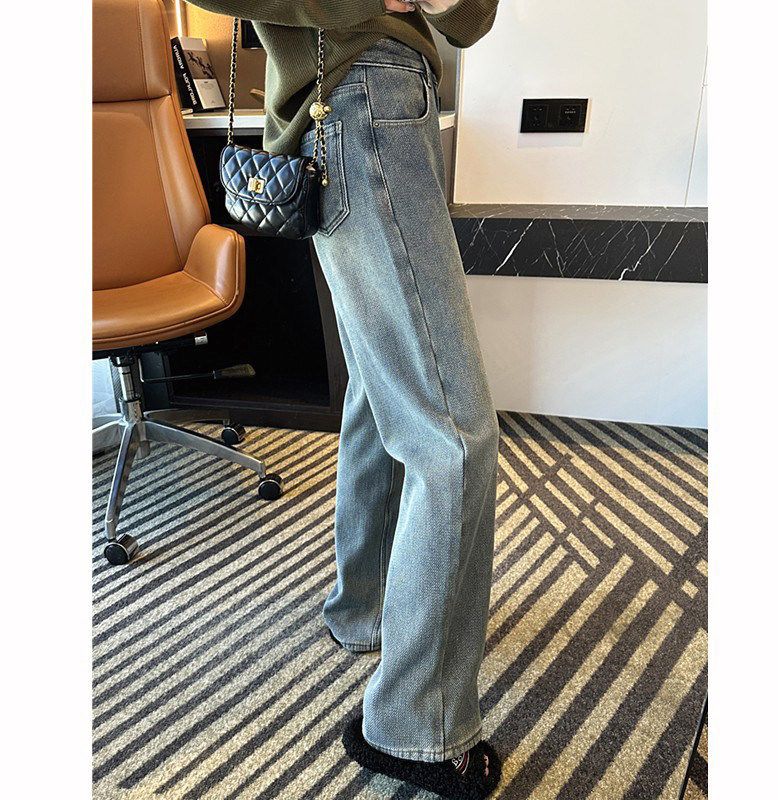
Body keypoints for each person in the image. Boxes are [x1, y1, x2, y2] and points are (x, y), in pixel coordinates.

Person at [186, 2, 502, 797]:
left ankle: (367, 607)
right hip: (358, 99)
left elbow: (470, 21)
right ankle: (416, 729)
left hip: (393, 100)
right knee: (454, 435)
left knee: (380, 389)